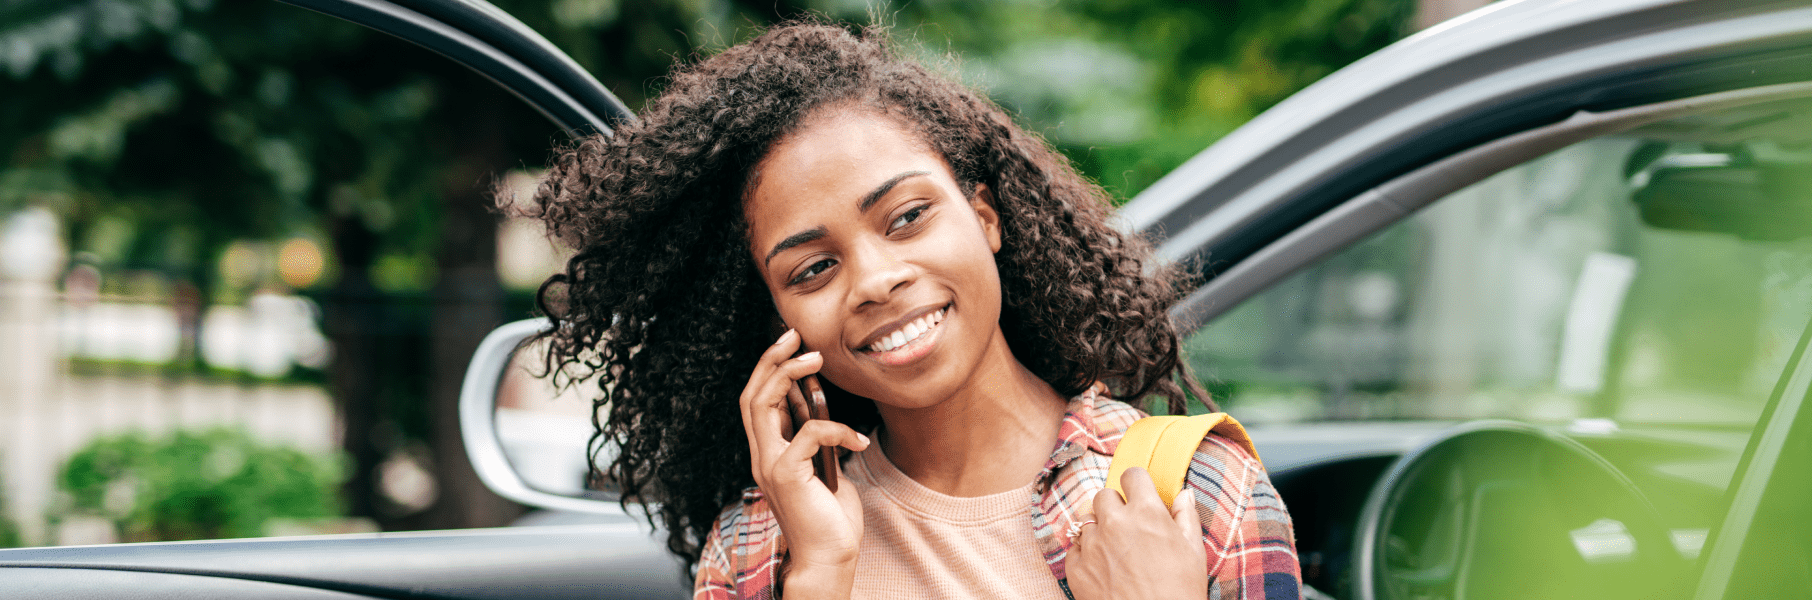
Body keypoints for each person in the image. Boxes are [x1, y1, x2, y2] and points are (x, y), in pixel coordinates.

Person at [512, 20, 1300, 600]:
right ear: (780, 318)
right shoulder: (765, 544)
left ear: (986, 216)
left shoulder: (1189, 492)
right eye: (814, 267)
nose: (875, 279)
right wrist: (820, 575)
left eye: (908, 217)